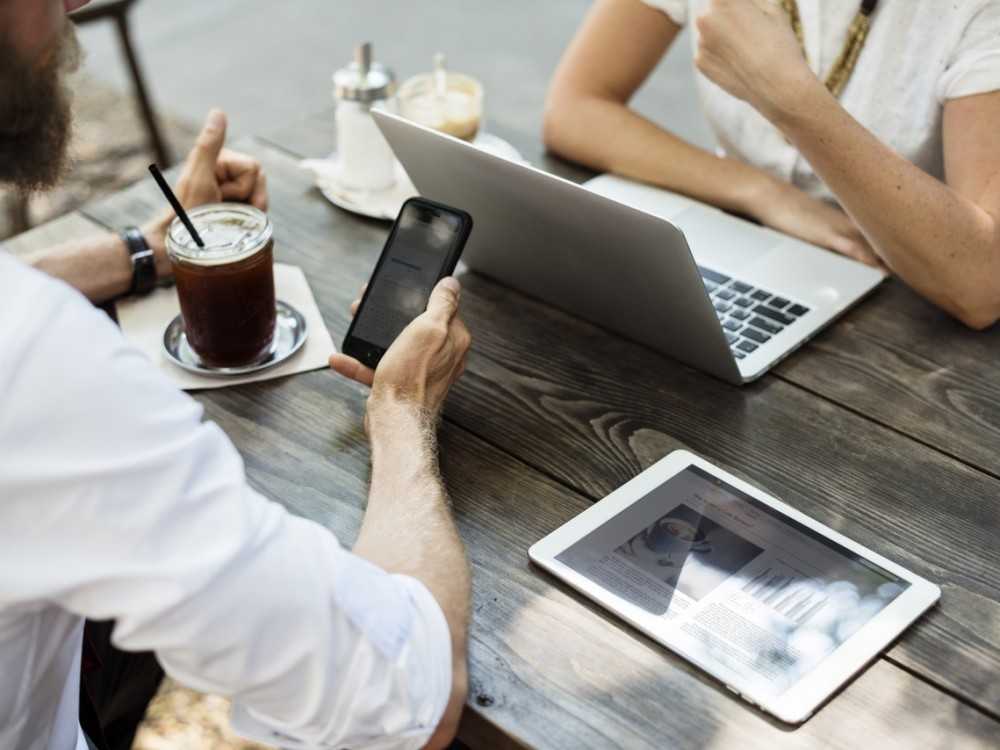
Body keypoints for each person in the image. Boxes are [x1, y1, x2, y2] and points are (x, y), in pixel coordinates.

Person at [0, 2, 472, 749]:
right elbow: (408, 695)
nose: (74, 3)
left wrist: (144, 251)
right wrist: (403, 410)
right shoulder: (36, 363)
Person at [544, 0, 1000, 329]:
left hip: (904, 297)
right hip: (741, 252)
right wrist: (762, 193)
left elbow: (981, 284)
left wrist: (789, 96)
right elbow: (574, 109)